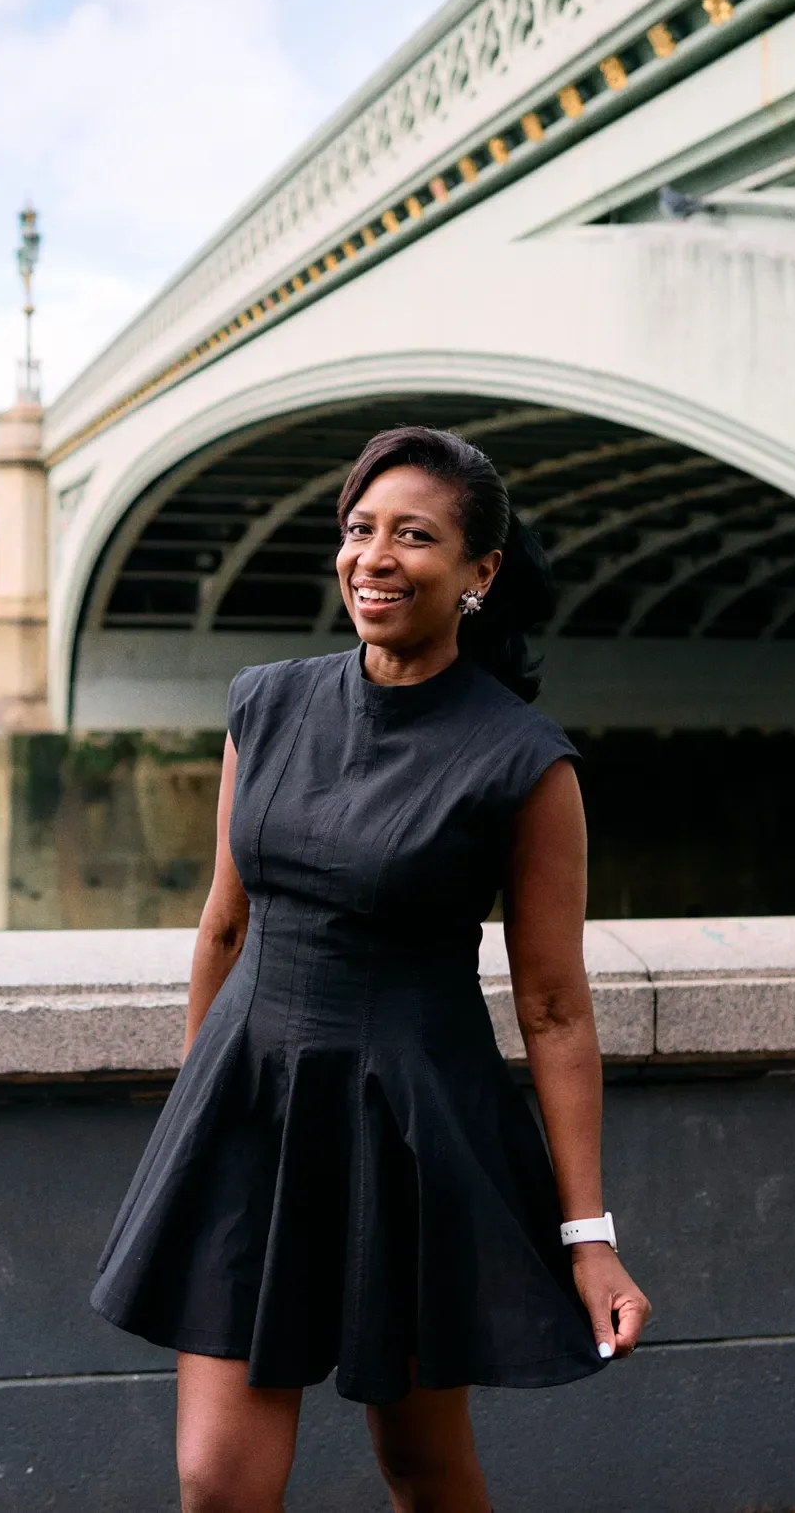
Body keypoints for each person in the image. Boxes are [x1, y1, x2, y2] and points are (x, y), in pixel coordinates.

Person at [91, 424, 651, 1512]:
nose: (374, 555)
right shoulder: (265, 703)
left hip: (410, 1126)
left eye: (413, 535)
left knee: (423, 1465)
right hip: (247, 1105)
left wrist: (591, 1239)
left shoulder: (523, 761)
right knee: (215, 1478)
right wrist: (196, 1110)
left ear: (479, 571)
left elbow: (551, 1006)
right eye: (359, 529)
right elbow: (222, 926)